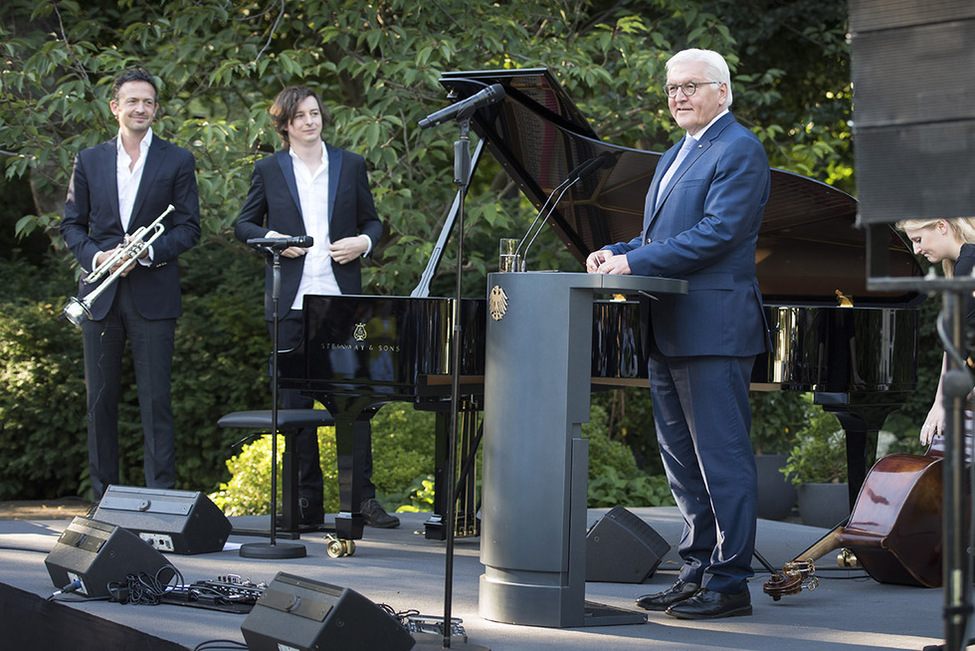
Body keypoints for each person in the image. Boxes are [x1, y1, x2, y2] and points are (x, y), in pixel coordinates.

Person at [586, 48, 770, 619]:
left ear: (723, 91)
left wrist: (635, 264)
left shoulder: (740, 149)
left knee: (723, 459)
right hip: (666, 326)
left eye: (691, 86)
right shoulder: (674, 154)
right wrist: (620, 251)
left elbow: (717, 234)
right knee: (682, 463)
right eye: (671, 89)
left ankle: (731, 580)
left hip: (713, 329)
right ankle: (695, 570)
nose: (679, 96)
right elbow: (661, 235)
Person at [235, 85, 397, 528]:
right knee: (296, 406)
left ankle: (361, 499)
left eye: (315, 113)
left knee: (355, 403)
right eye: (300, 115)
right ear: (284, 124)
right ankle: (306, 502)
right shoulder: (268, 170)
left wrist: (364, 242)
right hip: (289, 306)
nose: (310, 121)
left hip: (343, 303)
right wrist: (275, 242)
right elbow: (244, 223)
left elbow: (372, 221)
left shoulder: (350, 165)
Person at [60, 68, 201, 502]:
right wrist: (100, 257)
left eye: (149, 102)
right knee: (99, 405)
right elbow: (71, 225)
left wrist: (146, 252)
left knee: (156, 403)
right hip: (100, 295)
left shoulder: (177, 159)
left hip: (153, 293)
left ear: (156, 109)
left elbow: (189, 229)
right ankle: (104, 501)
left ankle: (160, 500)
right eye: (132, 101)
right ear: (115, 107)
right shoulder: (89, 159)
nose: (141, 108)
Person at [896, 217, 975, 448]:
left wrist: (941, 402)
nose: (917, 250)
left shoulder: (969, 260)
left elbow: (956, 342)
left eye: (918, 240)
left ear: (941, 226)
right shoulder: (965, 261)